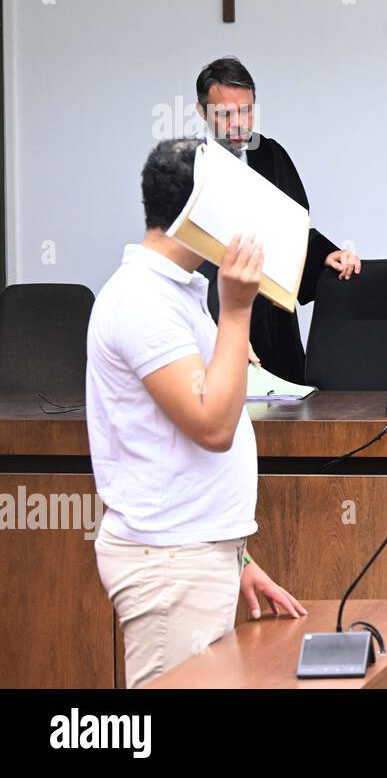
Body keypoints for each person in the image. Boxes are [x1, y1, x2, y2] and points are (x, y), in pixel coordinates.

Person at [88, 138, 306, 688]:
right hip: (167, 564)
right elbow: (212, 426)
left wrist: (237, 559)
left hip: (192, 554)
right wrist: (236, 310)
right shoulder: (141, 299)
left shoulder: (175, 293)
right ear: (200, 212)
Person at [193, 57, 361, 382]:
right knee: (214, 412)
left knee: (286, 414)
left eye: (246, 111)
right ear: (202, 112)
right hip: (211, 310)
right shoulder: (189, 164)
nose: (238, 123)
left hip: (271, 315)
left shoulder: (269, 155)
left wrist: (325, 255)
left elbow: (294, 228)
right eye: (225, 114)